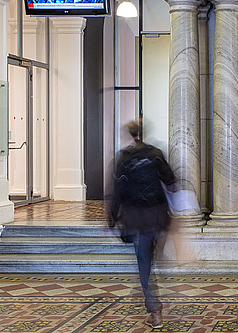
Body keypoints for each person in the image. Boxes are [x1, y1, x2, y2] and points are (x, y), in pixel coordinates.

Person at [107, 120, 174, 329]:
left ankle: (153, 310)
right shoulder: (156, 154)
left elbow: (117, 192)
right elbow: (171, 180)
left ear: (130, 134)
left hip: (138, 219)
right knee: (149, 259)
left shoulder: (124, 159)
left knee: (144, 263)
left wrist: (111, 218)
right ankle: (146, 291)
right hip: (158, 217)